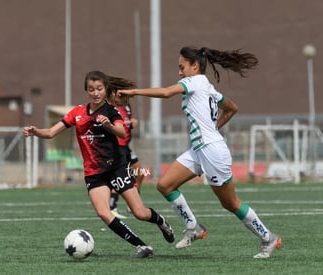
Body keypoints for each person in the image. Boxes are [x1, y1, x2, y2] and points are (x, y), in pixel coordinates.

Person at [118, 46, 282, 259]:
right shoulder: (208, 87)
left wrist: (134, 92)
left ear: (195, 66)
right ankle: (193, 226)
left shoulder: (194, 81)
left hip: (212, 151)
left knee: (230, 203)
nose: (179, 72)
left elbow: (167, 93)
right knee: (165, 185)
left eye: (182, 67)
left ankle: (268, 238)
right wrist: (214, 129)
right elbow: (232, 108)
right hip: (199, 149)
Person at [23, 70, 174, 259]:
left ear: (105, 89)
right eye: (91, 89)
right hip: (94, 174)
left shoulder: (111, 111)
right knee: (104, 213)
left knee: (140, 213)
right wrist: (36, 131)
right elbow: (51, 133)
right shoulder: (77, 113)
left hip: (116, 169)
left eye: (99, 89)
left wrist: (108, 125)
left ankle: (161, 222)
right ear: (86, 90)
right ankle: (142, 247)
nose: (95, 93)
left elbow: (121, 132)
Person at [108, 90, 146, 218]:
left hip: (126, 147)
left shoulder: (127, 107)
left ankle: (133, 204)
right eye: (115, 93)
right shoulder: (109, 108)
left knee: (140, 173)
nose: (119, 96)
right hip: (117, 148)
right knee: (120, 177)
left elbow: (126, 123)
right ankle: (112, 206)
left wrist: (132, 123)